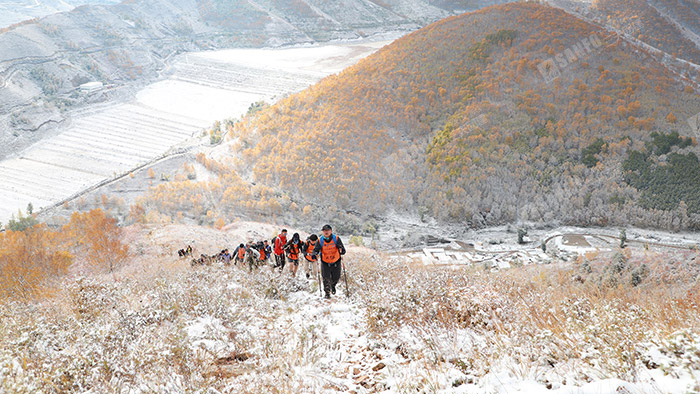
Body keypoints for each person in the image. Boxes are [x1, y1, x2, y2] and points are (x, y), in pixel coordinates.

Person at [312, 225, 346, 299]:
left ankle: (333, 286)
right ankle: (327, 293)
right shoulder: (320, 240)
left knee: (336, 277)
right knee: (325, 278)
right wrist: (314, 254)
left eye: (327, 230)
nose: (326, 232)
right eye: (324, 230)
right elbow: (315, 250)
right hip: (325, 262)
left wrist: (341, 250)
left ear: (331, 231)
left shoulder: (336, 239)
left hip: (336, 261)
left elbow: (343, 250)